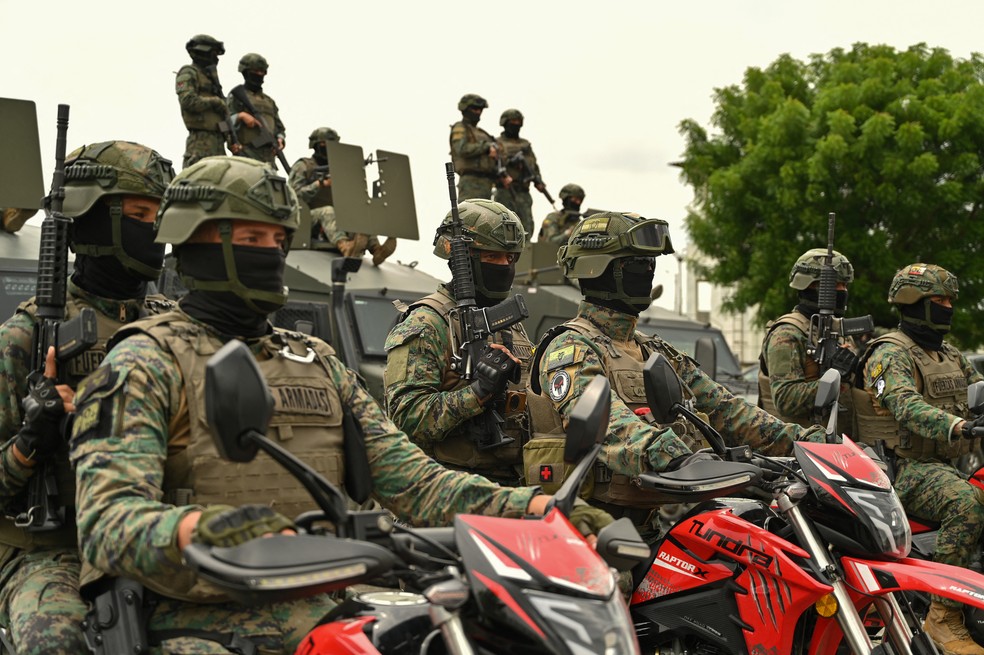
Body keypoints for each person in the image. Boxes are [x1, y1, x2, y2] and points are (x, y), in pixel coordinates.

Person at [68, 157, 610, 652]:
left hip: (323, 610)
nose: (270, 252)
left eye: (278, 238)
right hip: (200, 621)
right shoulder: (146, 360)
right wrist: (202, 532)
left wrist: (535, 511)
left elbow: (413, 479)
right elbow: (108, 520)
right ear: (192, 242)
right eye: (250, 236)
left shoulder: (314, 360)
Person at [528, 212, 825, 539]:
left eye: (651, 263)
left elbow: (727, 409)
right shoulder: (570, 348)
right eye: (639, 264)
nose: (649, 272)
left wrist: (808, 444)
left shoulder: (652, 350)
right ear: (599, 270)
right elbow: (608, 425)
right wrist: (673, 454)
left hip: (651, 525)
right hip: (594, 535)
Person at [0, 141, 174, 654]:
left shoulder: (176, 327)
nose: (156, 230)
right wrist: (33, 438)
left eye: (161, 215)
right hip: (53, 549)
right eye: (141, 215)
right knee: (58, 643)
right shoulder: (25, 336)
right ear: (94, 219)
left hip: (158, 535)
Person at [854, 263, 984, 655]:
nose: (948, 308)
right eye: (939, 301)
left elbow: (978, 387)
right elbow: (904, 405)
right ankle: (943, 618)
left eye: (949, 301)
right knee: (966, 505)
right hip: (904, 468)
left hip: (951, 464)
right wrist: (958, 426)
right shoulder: (888, 354)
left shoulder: (947, 352)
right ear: (915, 303)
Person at [384, 200, 532, 486]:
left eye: (509, 258)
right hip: (447, 489)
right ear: (466, 260)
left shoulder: (509, 325)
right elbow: (405, 419)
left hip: (512, 486)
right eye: (492, 257)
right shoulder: (427, 322)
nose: (504, 266)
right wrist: (476, 393)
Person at [758, 248, 858, 429]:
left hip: (839, 444)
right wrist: (833, 379)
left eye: (845, 285)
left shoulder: (839, 331)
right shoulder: (786, 334)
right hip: (800, 446)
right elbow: (785, 399)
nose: (842, 291)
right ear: (811, 286)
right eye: (836, 285)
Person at [288, 126, 396, 265]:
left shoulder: (338, 167)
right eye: (323, 145)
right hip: (306, 217)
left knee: (359, 211)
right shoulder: (304, 166)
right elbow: (292, 196)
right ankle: (344, 245)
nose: (328, 148)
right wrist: (320, 184)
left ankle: (376, 250)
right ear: (315, 146)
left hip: (335, 218)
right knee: (327, 211)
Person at [175, 34, 229, 169]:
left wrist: (229, 137)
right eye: (214, 54)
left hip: (218, 144)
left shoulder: (212, 80)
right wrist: (215, 102)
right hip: (200, 144)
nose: (216, 59)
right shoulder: (188, 72)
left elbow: (221, 117)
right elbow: (188, 100)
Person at [493, 109, 545, 237]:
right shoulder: (497, 143)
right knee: (503, 225)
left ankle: (525, 253)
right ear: (505, 123)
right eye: (512, 122)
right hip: (505, 190)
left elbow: (534, 166)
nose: (516, 125)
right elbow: (493, 165)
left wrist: (538, 181)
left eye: (518, 122)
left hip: (523, 191)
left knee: (526, 227)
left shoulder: (525, 144)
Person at [227, 53, 286, 166]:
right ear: (245, 72)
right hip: (246, 156)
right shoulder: (236, 97)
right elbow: (224, 124)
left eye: (262, 72)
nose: (259, 75)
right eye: (255, 72)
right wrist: (240, 116)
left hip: (268, 158)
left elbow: (279, 128)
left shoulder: (269, 101)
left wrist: (280, 139)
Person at [449, 93, 507, 200]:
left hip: (487, 183)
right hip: (470, 182)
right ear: (465, 109)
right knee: (469, 213)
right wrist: (485, 147)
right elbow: (462, 149)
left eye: (480, 109)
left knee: (486, 215)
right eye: (475, 109)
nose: (478, 112)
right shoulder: (460, 128)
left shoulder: (483, 133)